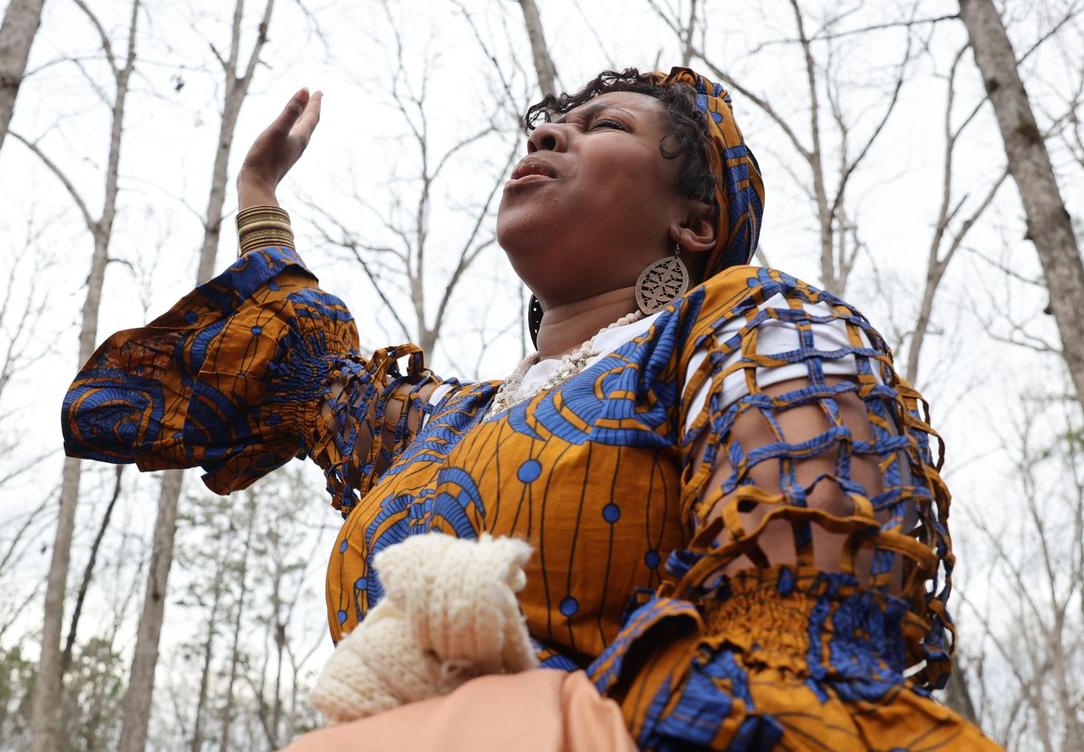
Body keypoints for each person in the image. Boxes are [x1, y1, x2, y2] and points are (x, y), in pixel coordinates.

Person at [63, 66, 1000, 750]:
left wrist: (538, 720)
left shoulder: (750, 324)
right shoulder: (444, 425)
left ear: (698, 223)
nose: (547, 136)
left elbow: (805, 625)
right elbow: (310, 378)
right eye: (547, 126)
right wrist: (259, 199)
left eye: (604, 126)